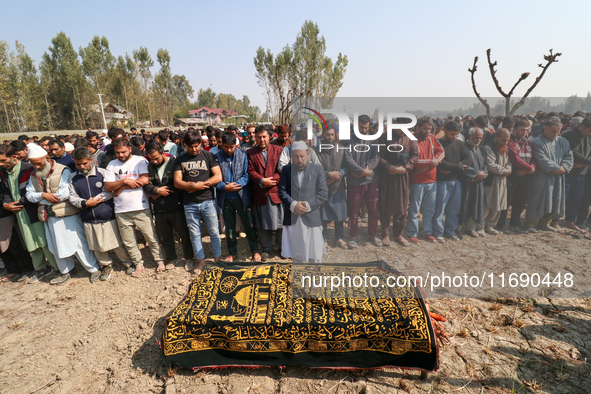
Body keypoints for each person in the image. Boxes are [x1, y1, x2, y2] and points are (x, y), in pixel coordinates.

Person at [25, 144, 101, 285]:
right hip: (48, 217)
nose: (38, 167)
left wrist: (41, 200)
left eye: (40, 163)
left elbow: (63, 194)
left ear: (47, 158)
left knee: (79, 243)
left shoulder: (62, 171)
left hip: (66, 214)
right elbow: (29, 195)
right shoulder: (34, 174)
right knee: (55, 246)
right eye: (35, 164)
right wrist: (43, 194)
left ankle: (93, 269)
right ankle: (67, 271)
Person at [68, 147, 133, 281]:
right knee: (96, 245)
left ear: (91, 160)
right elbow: (72, 197)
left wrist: (94, 201)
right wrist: (85, 203)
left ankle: (127, 262)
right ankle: (106, 265)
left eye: (85, 163)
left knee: (116, 242)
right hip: (88, 217)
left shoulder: (103, 173)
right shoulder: (73, 177)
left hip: (106, 215)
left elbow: (108, 191)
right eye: (78, 164)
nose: (81, 166)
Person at [104, 138, 164, 277]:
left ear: (130, 149)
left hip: (140, 207)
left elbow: (144, 180)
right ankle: (138, 263)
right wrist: (124, 180)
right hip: (121, 209)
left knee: (151, 237)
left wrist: (121, 186)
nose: (121, 155)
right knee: (129, 241)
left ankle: (159, 260)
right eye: (118, 152)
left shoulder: (140, 160)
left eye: (123, 152)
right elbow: (108, 186)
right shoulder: (112, 165)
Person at [0, 145, 59, 283]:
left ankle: (56, 268)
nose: (1, 164)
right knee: (29, 241)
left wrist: (19, 202)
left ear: (13, 157)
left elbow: (35, 191)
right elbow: (6, 192)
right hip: (19, 213)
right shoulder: (3, 171)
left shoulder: (28, 168)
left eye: (3, 161)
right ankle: (40, 268)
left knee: (42, 241)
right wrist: (6, 204)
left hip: (33, 210)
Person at [174, 130, 222, 275]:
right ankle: (201, 261)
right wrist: (190, 186)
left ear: (201, 143)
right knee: (195, 233)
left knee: (214, 231)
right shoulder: (180, 159)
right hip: (189, 203)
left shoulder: (209, 156)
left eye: (196, 146)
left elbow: (218, 176)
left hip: (207, 200)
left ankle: (217, 259)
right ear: (185, 145)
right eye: (190, 146)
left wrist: (202, 185)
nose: (194, 149)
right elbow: (177, 182)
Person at [144, 141, 194, 270]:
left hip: (176, 205)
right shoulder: (149, 166)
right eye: (152, 159)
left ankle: (189, 258)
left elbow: (180, 183)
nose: (154, 161)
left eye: (157, 158)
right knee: (164, 236)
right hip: (159, 207)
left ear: (163, 153)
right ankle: (172, 258)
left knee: (183, 234)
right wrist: (156, 191)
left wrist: (160, 191)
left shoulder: (174, 163)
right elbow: (147, 185)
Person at [278, 141, 328, 263]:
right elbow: (282, 192)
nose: (299, 159)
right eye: (296, 156)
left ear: (308, 154)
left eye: (302, 156)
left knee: (314, 253)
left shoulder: (318, 169)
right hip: (293, 216)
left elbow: (323, 193)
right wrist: (293, 204)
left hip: (311, 216)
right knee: (296, 252)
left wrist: (307, 206)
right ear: (292, 156)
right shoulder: (286, 169)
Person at [214, 133, 261, 262]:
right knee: (229, 228)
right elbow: (213, 178)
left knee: (249, 225)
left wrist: (237, 185)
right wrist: (224, 186)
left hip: (242, 197)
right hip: (225, 197)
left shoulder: (243, 155)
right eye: (226, 147)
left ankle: (255, 250)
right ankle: (232, 252)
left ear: (236, 145)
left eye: (232, 147)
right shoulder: (216, 157)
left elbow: (247, 174)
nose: (229, 150)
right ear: (222, 145)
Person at [524, 117, 574, 232]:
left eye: (558, 131)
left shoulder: (563, 141)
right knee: (537, 199)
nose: (556, 134)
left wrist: (564, 168)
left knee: (555, 198)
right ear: (545, 129)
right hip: (541, 176)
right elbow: (542, 159)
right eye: (553, 131)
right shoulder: (536, 142)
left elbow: (569, 156)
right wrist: (557, 168)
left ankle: (544, 222)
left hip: (558, 177)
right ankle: (530, 223)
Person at [378, 120, 419, 247]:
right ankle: (385, 234)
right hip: (387, 175)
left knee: (401, 205)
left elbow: (415, 155)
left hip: (403, 175)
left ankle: (398, 234)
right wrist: (389, 167)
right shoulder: (384, 137)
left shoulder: (411, 138)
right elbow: (379, 155)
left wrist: (405, 167)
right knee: (385, 203)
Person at [343, 115, 381, 248]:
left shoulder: (373, 139)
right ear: (356, 126)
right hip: (355, 182)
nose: (363, 130)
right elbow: (348, 158)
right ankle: (353, 236)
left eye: (366, 127)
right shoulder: (348, 140)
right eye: (361, 128)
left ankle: (373, 234)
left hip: (371, 181)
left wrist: (368, 168)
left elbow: (376, 157)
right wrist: (360, 171)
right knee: (354, 211)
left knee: (373, 210)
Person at [406, 117, 445, 244]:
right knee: (414, 209)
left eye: (429, 128)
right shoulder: (411, 139)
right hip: (417, 181)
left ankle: (427, 232)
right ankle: (411, 233)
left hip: (432, 180)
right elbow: (412, 160)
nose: (428, 131)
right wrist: (430, 162)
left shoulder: (432, 138)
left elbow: (442, 152)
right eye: (425, 128)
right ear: (417, 128)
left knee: (430, 209)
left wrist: (430, 165)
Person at [247, 125, 284, 260]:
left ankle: (281, 247)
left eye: (264, 137)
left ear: (270, 136)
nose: (261, 140)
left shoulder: (279, 150)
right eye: (259, 137)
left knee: (280, 223)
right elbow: (250, 171)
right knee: (262, 224)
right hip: (260, 192)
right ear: (255, 137)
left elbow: (283, 169)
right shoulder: (250, 152)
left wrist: (272, 180)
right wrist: (262, 180)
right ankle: (266, 248)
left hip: (276, 191)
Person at [433, 121, 473, 242]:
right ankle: (438, 232)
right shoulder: (438, 144)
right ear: (445, 131)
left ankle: (450, 230)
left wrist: (455, 169)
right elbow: (440, 163)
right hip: (441, 181)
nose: (454, 136)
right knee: (440, 208)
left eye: (456, 134)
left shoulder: (459, 144)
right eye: (452, 134)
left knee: (454, 209)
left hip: (456, 181)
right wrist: (458, 167)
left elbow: (468, 158)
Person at [497, 119, 536, 233]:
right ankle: (500, 224)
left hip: (526, 177)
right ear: (515, 130)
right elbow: (515, 158)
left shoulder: (528, 142)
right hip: (512, 176)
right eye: (522, 130)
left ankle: (515, 223)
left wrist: (531, 169)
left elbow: (534, 157)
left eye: (527, 130)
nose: (525, 132)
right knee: (507, 201)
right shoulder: (510, 141)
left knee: (521, 201)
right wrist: (529, 169)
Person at [315, 127, 349, 250]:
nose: (330, 137)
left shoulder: (342, 149)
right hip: (323, 187)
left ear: (335, 136)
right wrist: (328, 175)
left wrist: (338, 176)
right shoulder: (317, 150)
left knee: (339, 215)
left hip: (338, 186)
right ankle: (323, 239)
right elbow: (315, 168)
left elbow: (346, 167)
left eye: (332, 135)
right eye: (327, 135)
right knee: (323, 216)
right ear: (323, 135)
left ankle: (339, 238)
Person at [558, 116, 591, 234]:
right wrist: (588, 162)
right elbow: (572, 153)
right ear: (582, 126)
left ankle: (570, 221)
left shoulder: (586, 136)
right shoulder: (569, 134)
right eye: (589, 131)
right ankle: (554, 221)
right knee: (562, 198)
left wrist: (584, 163)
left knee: (576, 199)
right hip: (568, 173)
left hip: (581, 173)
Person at [482, 129, 512, 235]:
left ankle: (490, 225)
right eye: (503, 140)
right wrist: (506, 171)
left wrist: (509, 168)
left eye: (507, 140)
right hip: (491, 180)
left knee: (498, 203)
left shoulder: (506, 148)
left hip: (502, 180)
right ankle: (480, 226)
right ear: (496, 137)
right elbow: (491, 166)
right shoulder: (488, 148)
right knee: (487, 203)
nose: (504, 142)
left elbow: (509, 161)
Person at [460, 128, 488, 237]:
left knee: (476, 205)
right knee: (465, 204)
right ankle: (459, 227)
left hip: (478, 183)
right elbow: (462, 165)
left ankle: (471, 228)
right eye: (476, 137)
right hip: (466, 182)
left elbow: (485, 165)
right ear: (470, 136)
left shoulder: (482, 149)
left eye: (480, 138)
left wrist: (482, 175)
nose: (478, 140)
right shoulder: (463, 148)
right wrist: (475, 174)